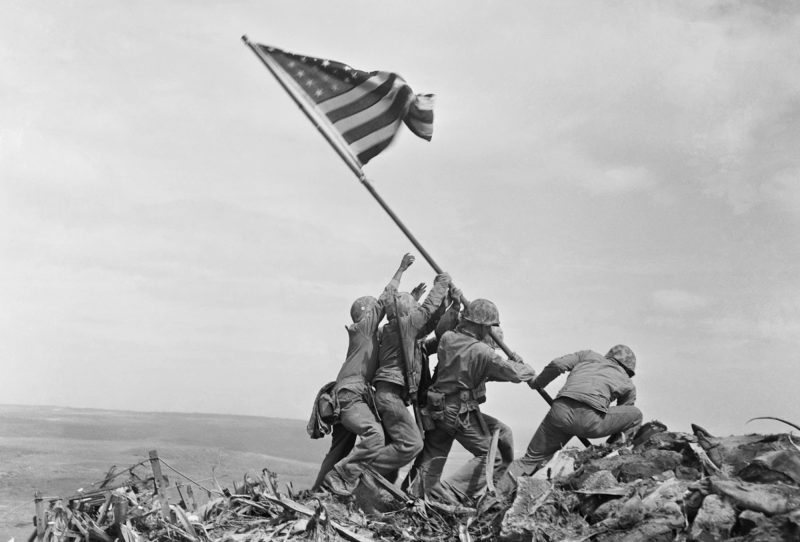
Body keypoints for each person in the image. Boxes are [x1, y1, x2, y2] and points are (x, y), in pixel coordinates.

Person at [416, 299, 537, 502]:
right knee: (491, 457)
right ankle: (450, 493)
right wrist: (526, 368)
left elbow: (487, 370)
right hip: (458, 411)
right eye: (489, 326)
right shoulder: (482, 352)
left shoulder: (448, 338)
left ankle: (417, 494)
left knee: (434, 455)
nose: (489, 330)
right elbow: (514, 374)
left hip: (438, 407)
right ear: (482, 325)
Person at [320, 253, 415, 496]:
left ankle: (317, 493)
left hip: (348, 395)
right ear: (367, 314)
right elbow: (385, 301)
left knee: (339, 449)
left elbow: (396, 322)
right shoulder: (363, 329)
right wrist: (401, 270)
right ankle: (343, 477)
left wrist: (412, 300)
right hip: (351, 395)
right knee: (374, 434)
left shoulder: (370, 337)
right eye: (374, 312)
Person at [495, 345, 642, 496]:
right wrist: (611, 445)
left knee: (529, 460)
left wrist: (538, 383)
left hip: (559, 412)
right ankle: (611, 455)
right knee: (636, 415)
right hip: (590, 421)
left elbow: (558, 365)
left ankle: (495, 496)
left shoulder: (587, 355)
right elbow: (623, 419)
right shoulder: (627, 383)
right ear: (629, 369)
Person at [368, 272, 453, 482]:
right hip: (389, 396)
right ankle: (362, 470)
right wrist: (441, 284)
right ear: (407, 312)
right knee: (413, 444)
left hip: (390, 395)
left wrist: (447, 305)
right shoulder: (403, 326)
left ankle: (373, 487)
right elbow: (427, 310)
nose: (417, 311)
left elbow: (429, 322)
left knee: (395, 449)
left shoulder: (400, 330)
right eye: (414, 308)